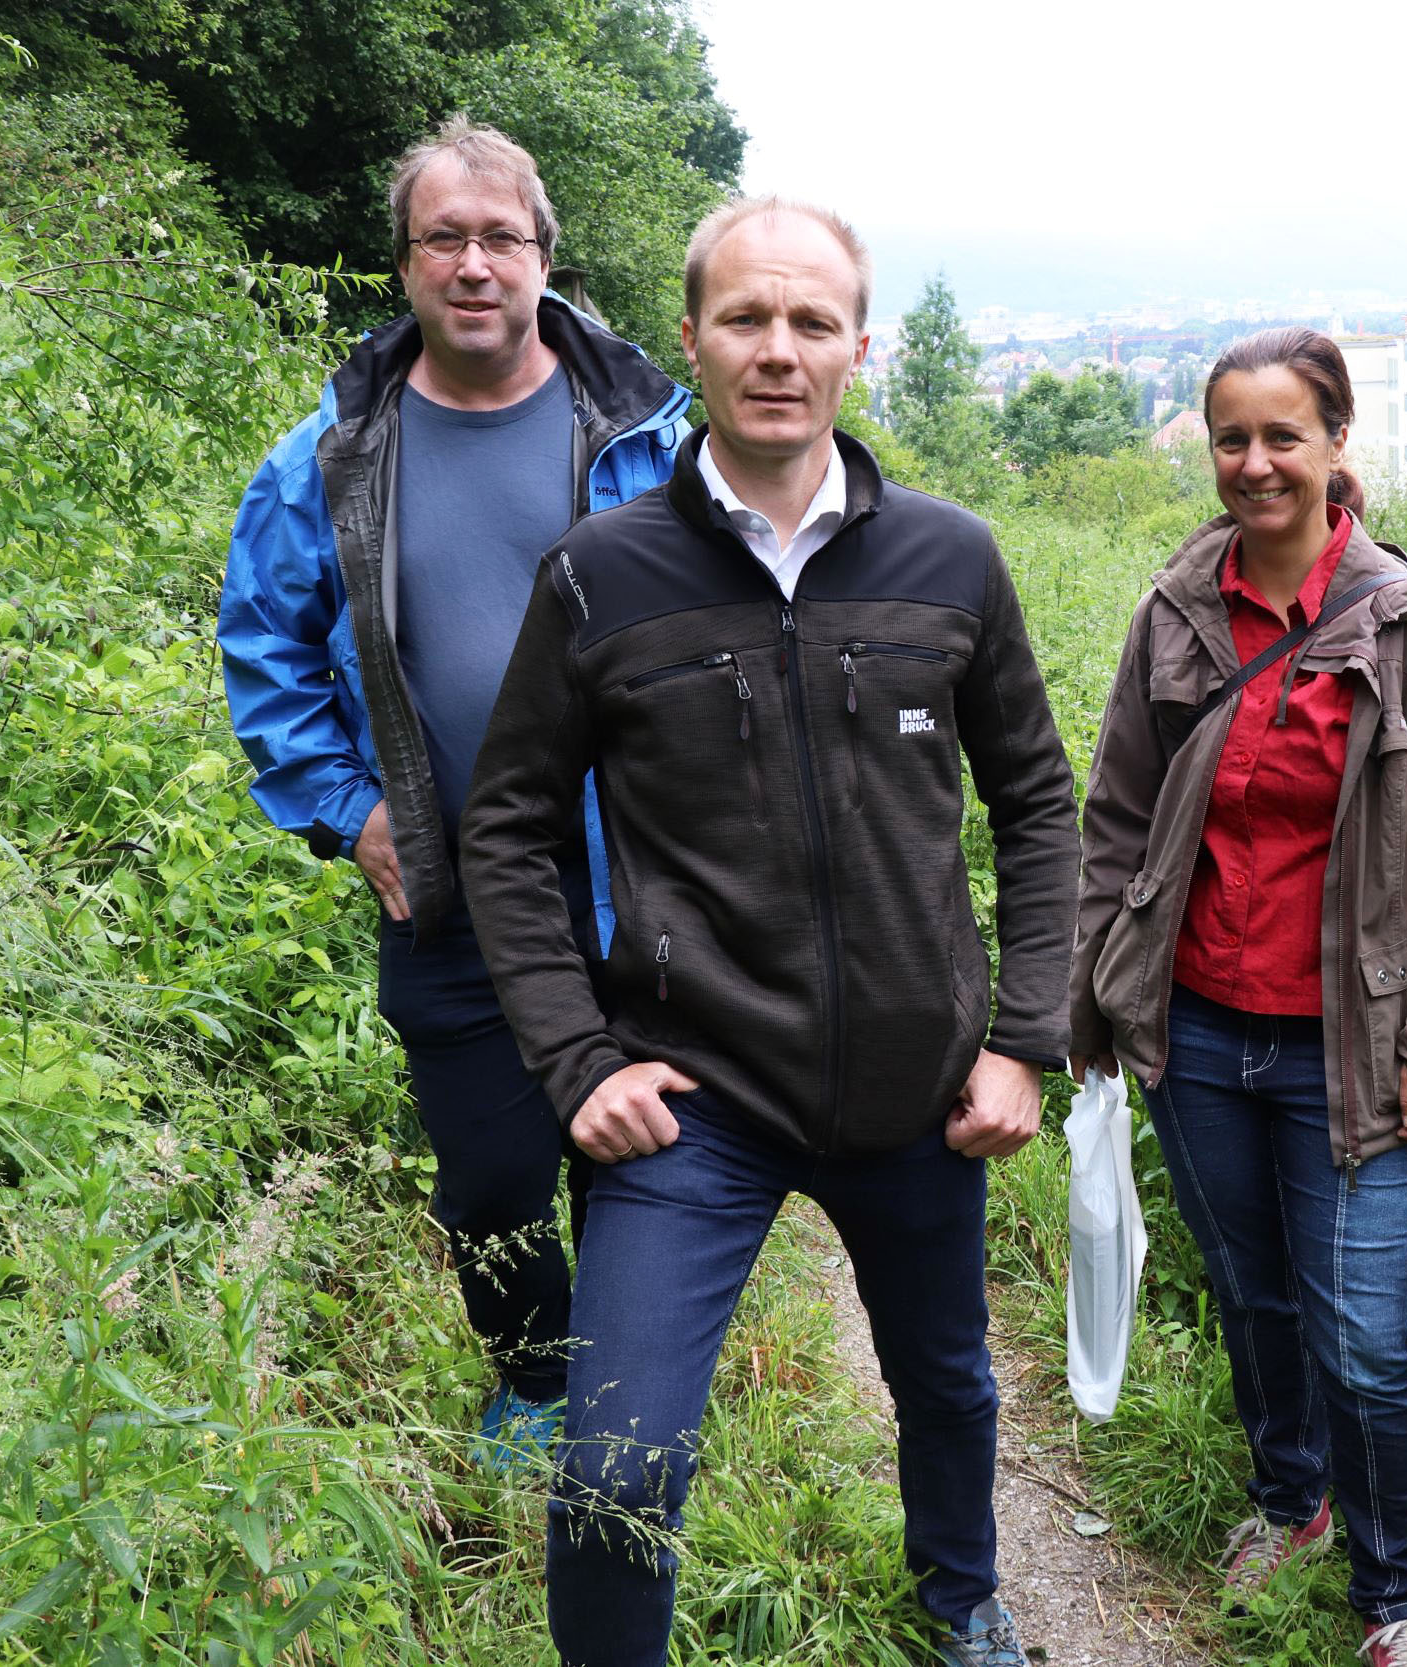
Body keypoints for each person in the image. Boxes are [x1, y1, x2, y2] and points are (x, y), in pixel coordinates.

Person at [458, 195, 1078, 1667]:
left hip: (924, 1093)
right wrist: (574, 1057)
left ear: (861, 347)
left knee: (948, 1384)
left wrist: (1023, 1044)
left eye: (811, 322)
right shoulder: (602, 575)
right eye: (746, 318)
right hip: (699, 1104)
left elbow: (1043, 805)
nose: (779, 351)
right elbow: (507, 826)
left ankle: (962, 1603)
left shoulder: (952, 560)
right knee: (617, 1464)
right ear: (692, 341)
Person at [218, 118, 691, 1470]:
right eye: (446, 237)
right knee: (492, 1182)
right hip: (453, 886)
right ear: (407, 261)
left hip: (640, 880)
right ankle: (532, 1377)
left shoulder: (650, 438)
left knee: (640, 1162)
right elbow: (263, 643)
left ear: (545, 256)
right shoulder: (331, 456)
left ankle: (626, 1397)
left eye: (501, 237)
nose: (474, 263)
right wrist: (349, 809)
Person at [1066, 327, 1407, 1667]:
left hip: (1362, 1048)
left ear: (1337, 444)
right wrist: (1095, 1006)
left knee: (1366, 1338)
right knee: (1253, 1295)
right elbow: (1118, 819)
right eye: (1231, 438)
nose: (1255, 463)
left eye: (1283, 436)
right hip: (1199, 1034)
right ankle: (1293, 1499)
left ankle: (1400, 1601)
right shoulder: (1178, 613)